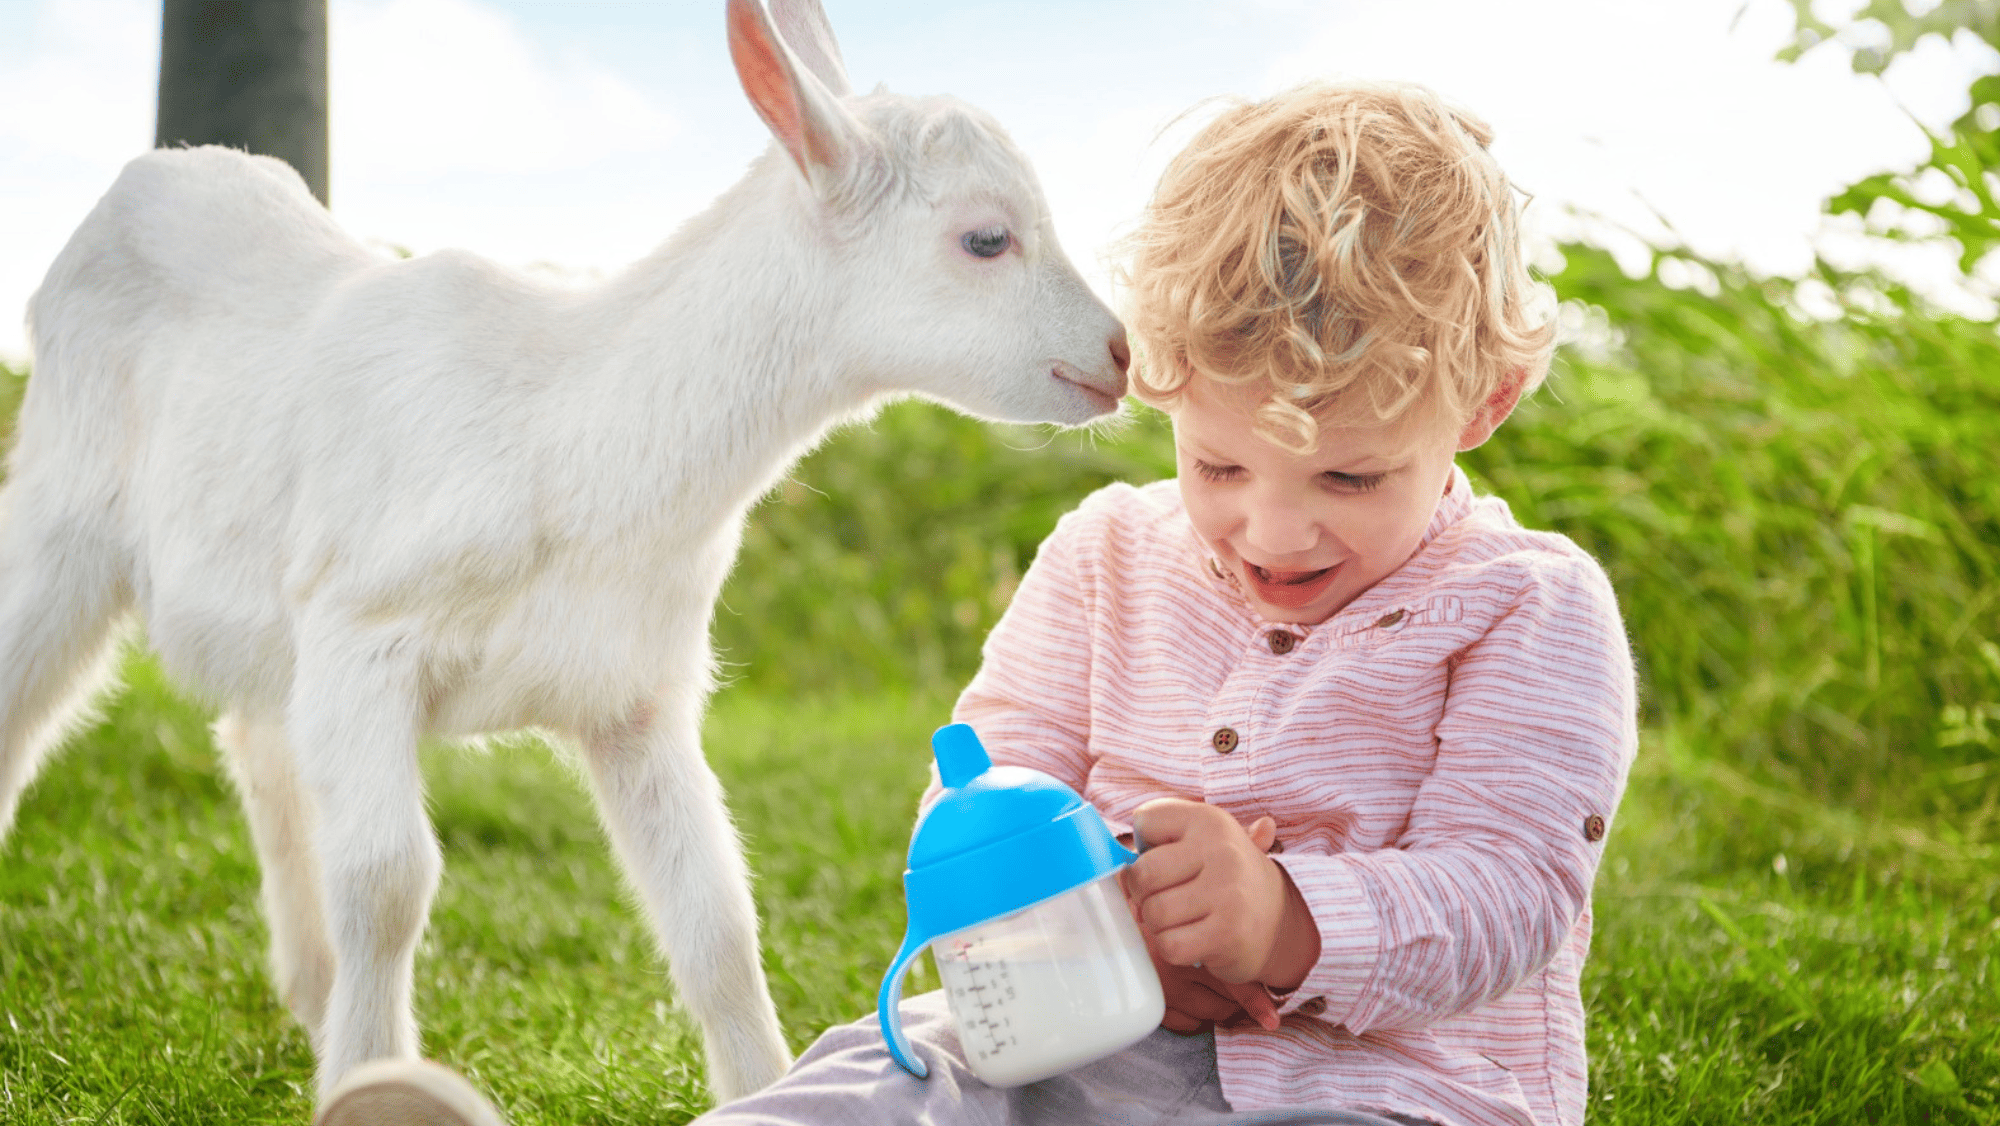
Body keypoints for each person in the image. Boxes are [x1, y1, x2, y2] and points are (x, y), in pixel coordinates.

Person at [316, 79, 1638, 1126]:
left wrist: (1287, 918)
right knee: (873, 1080)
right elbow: (989, 765)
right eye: (1220, 463)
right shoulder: (1107, 554)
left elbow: (1510, 891)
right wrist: (1039, 891)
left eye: (1350, 474)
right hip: (1066, 1050)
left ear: (1481, 407)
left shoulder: (1526, 611)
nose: (1271, 526)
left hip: (1381, 1093)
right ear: (1167, 387)